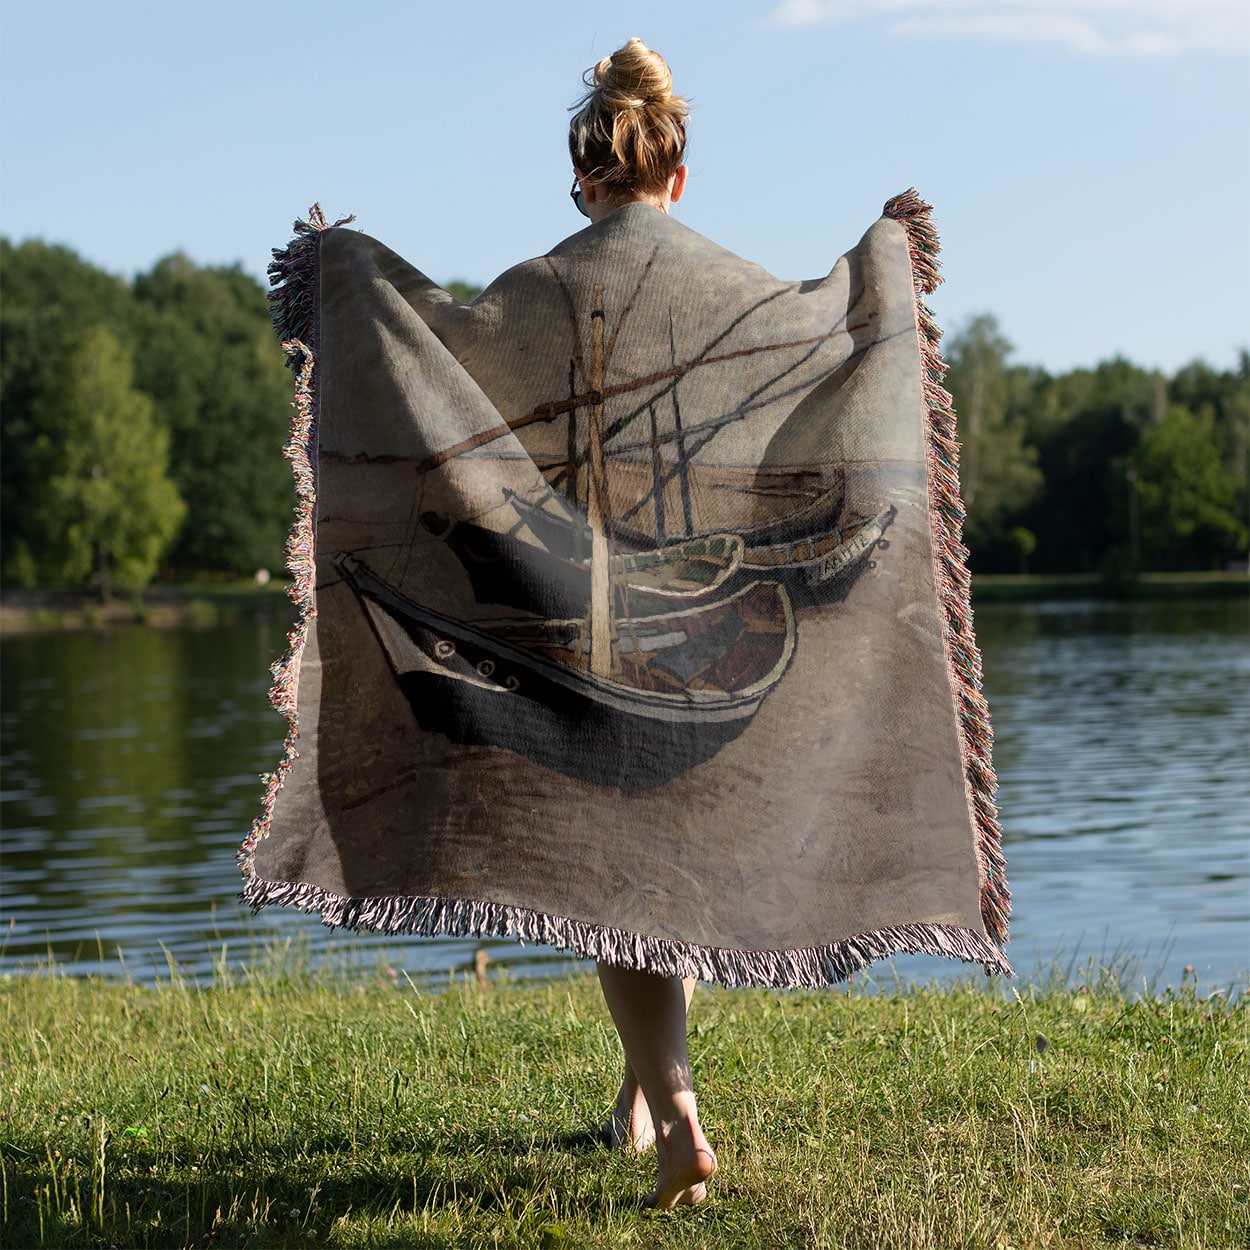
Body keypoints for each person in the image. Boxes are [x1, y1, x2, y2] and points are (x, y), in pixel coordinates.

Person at [564, 37, 717, 1212]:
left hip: (592, 618)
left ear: (583, 180)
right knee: (660, 872)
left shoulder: (543, 285)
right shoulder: (728, 287)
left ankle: (677, 1119)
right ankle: (632, 1099)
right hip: (714, 619)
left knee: (614, 885)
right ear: (675, 174)